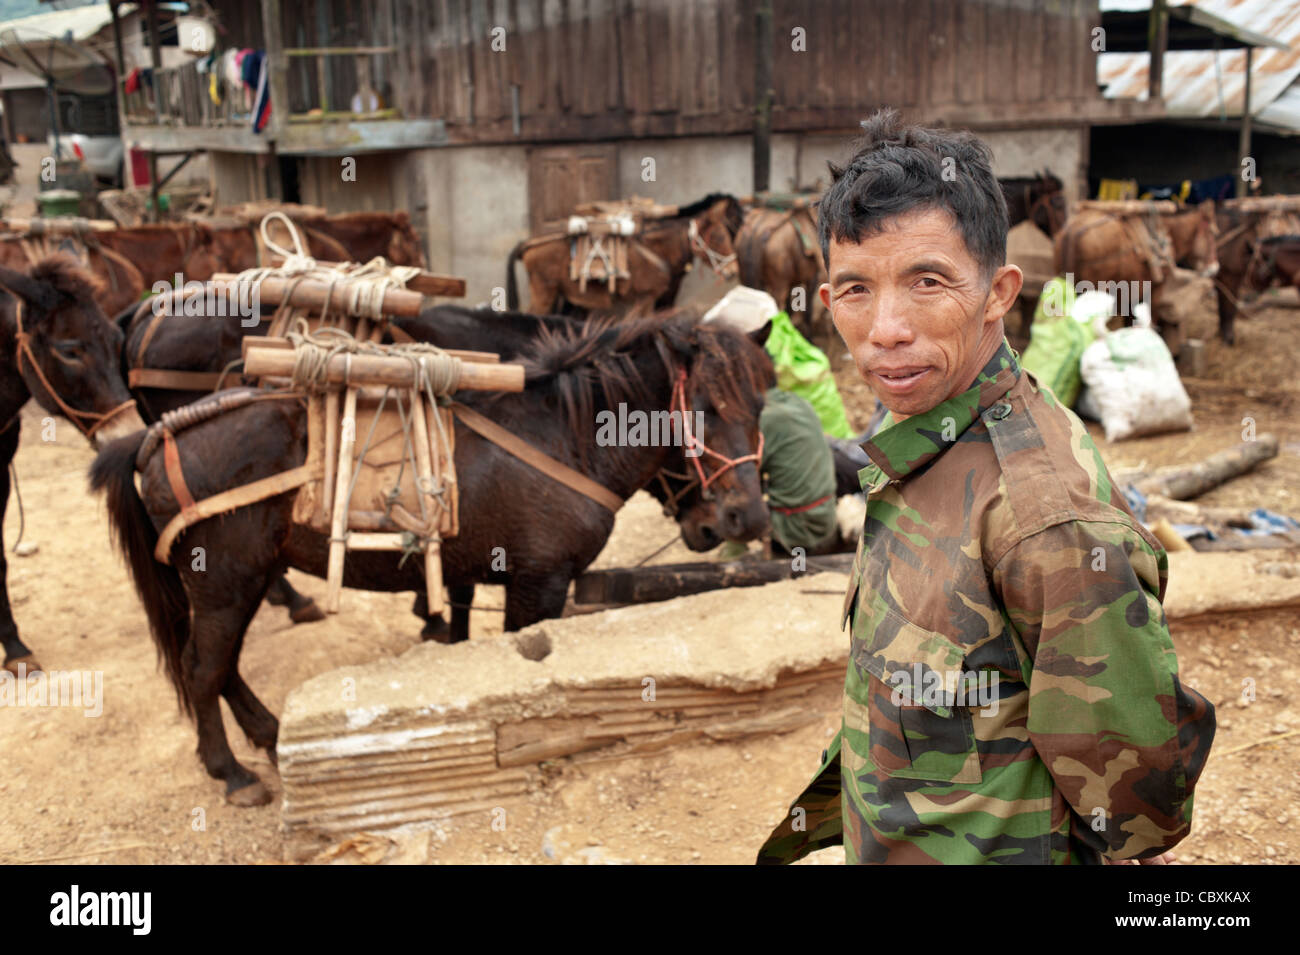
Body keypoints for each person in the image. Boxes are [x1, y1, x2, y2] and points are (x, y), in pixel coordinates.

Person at [757, 109, 1215, 865]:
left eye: (927, 281)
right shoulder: (927, 438)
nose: (885, 328)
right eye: (853, 289)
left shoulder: (1043, 518)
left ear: (1000, 292)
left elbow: (1136, 810)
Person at [704, 290, 839, 558]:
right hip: (826, 518)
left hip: (798, 530)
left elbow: (743, 479)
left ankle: (733, 559)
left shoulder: (765, 419)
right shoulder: (798, 403)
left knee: (734, 494)